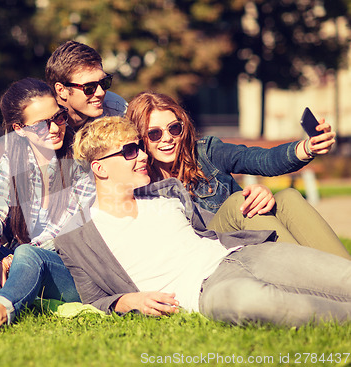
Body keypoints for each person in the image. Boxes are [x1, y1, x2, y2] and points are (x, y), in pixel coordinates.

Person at [54, 115, 351, 327]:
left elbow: (224, 220)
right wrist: (129, 301)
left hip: (245, 255)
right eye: (130, 151)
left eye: (140, 147)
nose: (143, 155)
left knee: (343, 278)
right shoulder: (78, 240)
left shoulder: (167, 194)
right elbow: (93, 300)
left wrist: (258, 194)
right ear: (100, 168)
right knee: (252, 301)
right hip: (206, 289)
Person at [0, 78, 95, 335]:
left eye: (58, 117)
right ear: (20, 129)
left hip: (70, 270)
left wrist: (8, 261)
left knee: (27, 252)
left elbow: (58, 235)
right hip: (22, 263)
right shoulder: (13, 160)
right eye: (40, 126)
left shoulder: (81, 159)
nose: (54, 128)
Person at [125, 91, 350, 259]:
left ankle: (344, 275)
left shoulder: (205, 152)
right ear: (139, 138)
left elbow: (262, 160)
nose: (167, 138)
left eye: (174, 128)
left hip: (241, 235)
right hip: (208, 253)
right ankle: (314, 279)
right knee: (238, 203)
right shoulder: (137, 180)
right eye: (154, 133)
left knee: (288, 197)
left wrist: (308, 147)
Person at [45, 40, 127, 130]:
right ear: (61, 90)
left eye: (104, 82)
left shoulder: (118, 110)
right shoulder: (41, 124)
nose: (101, 92)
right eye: (89, 87)